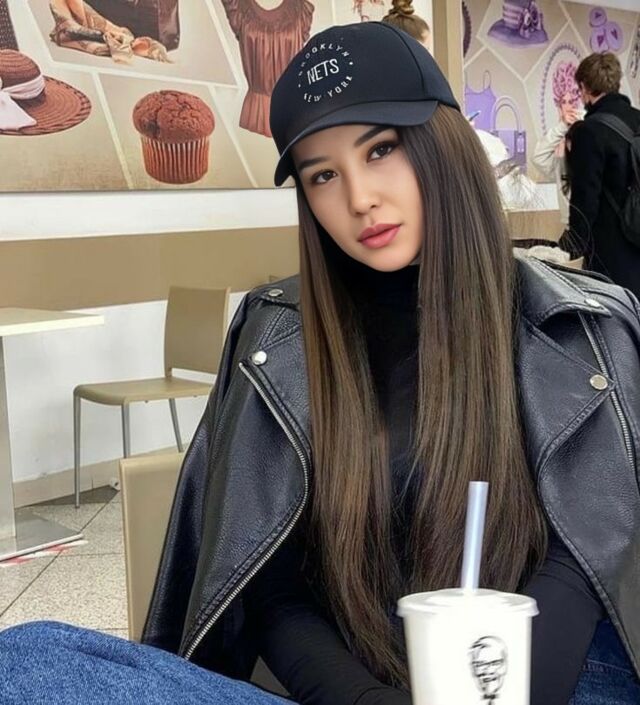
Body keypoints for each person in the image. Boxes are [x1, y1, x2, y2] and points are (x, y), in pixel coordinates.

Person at [2, 21, 640, 705]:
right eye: (323, 175)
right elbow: (271, 587)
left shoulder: (582, 326)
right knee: (28, 657)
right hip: (347, 685)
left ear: (443, 143)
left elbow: (587, 556)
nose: (359, 198)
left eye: (382, 149)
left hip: (550, 679)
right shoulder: (276, 337)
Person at [562, 52, 640, 298]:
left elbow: (586, 198)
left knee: (617, 316)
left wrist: (571, 247)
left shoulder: (589, 131)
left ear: (585, 87)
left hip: (612, 253)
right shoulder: (638, 119)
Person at [532, 89, 583, 229]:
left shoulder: (591, 131)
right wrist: (562, 127)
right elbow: (538, 157)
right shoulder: (560, 148)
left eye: (571, 102)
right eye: (564, 102)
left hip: (593, 222)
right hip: (569, 223)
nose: (568, 107)